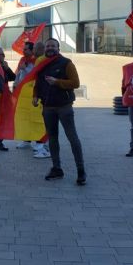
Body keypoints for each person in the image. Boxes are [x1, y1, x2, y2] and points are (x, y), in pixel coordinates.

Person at [32, 38, 86, 184]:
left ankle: (81, 171)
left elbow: (75, 83)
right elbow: (38, 83)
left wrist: (57, 82)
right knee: (53, 139)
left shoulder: (66, 63)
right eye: (48, 46)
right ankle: (57, 168)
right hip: (48, 107)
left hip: (64, 107)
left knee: (72, 138)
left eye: (53, 46)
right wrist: (35, 96)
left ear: (58, 48)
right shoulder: (42, 64)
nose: (50, 48)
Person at [0, 47, 15, 151]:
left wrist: (7, 68)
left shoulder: (4, 65)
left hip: (5, 95)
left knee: (4, 118)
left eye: (3, 55)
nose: (2, 56)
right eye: (0, 55)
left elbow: (13, 77)